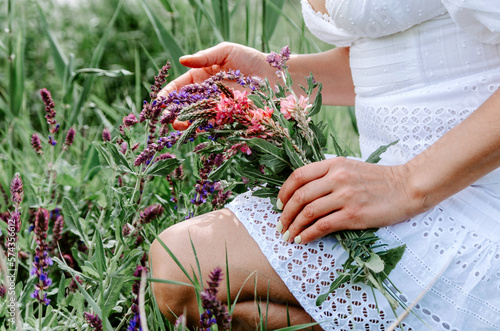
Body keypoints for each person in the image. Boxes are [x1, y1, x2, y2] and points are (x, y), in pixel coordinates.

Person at [149, 0, 500, 329]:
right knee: (182, 278)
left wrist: (405, 183)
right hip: (387, 189)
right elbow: (404, 53)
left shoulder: (406, 185)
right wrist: (274, 75)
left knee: (184, 265)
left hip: (468, 191)